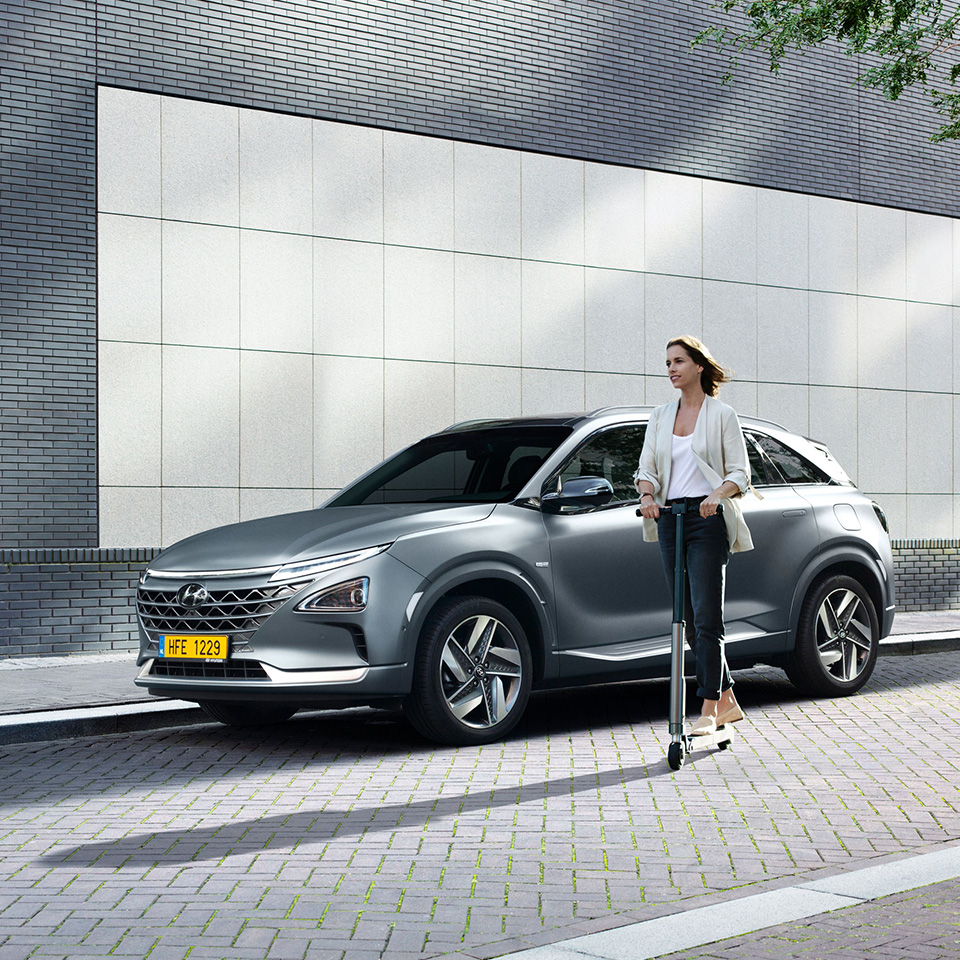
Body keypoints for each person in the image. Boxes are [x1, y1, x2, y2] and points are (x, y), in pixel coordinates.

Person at [634, 335, 753, 736]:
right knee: (682, 617)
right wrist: (648, 495)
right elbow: (646, 468)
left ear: (698, 366)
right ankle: (727, 698)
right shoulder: (660, 416)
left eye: (679, 361)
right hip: (671, 519)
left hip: (707, 521)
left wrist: (717, 495)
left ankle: (707, 708)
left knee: (707, 617)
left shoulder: (722, 415)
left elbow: (741, 473)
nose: (671, 369)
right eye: (667, 362)